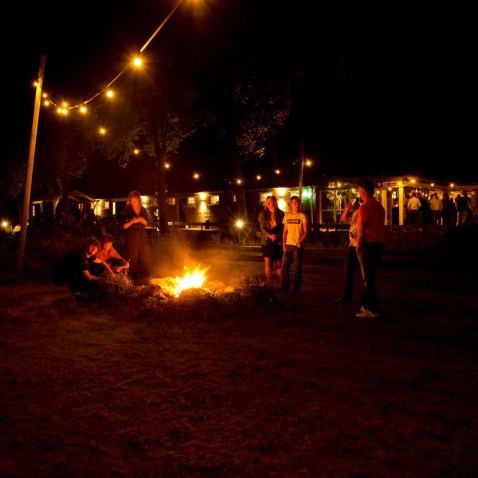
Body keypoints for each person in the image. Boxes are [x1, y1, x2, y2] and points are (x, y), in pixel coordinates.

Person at [355, 179, 386, 318]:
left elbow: (361, 231)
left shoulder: (364, 207)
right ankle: (365, 305)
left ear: (364, 191)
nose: (358, 192)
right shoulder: (380, 207)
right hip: (378, 245)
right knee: (371, 277)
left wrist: (358, 246)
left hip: (368, 245)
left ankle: (371, 309)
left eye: (359, 189)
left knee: (368, 279)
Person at [332, 197, 363, 305]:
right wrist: (347, 209)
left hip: (360, 245)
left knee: (365, 273)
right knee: (347, 270)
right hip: (352, 245)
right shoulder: (355, 211)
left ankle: (364, 298)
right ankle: (347, 295)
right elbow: (343, 219)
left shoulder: (363, 210)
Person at [68, 237, 114, 301]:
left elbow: (103, 262)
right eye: (92, 246)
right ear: (86, 246)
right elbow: (89, 277)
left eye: (95, 247)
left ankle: (87, 291)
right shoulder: (82, 257)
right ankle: (77, 291)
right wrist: (104, 279)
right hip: (74, 279)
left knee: (100, 266)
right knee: (92, 279)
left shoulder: (90, 256)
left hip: (81, 275)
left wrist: (111, 273)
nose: (94, 249)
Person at [121, 191, 152, 281]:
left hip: (141, 233)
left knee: (144, 254)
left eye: (133, 201)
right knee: (132, 255)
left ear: (138, 200)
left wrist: (141, 219)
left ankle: (147, 276)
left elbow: (147, 223)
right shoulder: (127, 210)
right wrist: (131, 221)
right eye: (131, 201)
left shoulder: (143, 209)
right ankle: (133, 277)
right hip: (131, 234)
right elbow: (123, 226)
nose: (132, 203)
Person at [281, 196, 309, 295]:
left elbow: (306, 231)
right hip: (288, 244)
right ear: (291, 204)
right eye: (295, 203)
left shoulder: (302, 216)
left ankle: (296, 290)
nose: (297, 205)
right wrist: (283, 244)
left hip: (297, 246)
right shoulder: (287, 216)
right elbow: (284, 231)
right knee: (284, 267)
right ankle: (285, 288)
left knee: (297, 268)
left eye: (298, 203)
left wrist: (301, 242)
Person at [258, 195, 285, 286]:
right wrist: (269, 235)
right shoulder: (263, 214)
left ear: (274, 202)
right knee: (268, 263)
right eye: (266, 202)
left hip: (278, 241)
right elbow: (262, 228)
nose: (267, 204)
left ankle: (282, 285)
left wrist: (278, 235)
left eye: (269, 202)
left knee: (278, 263)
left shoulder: (281, 213)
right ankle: (270, 284)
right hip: (267, 241)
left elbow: (283, 227)